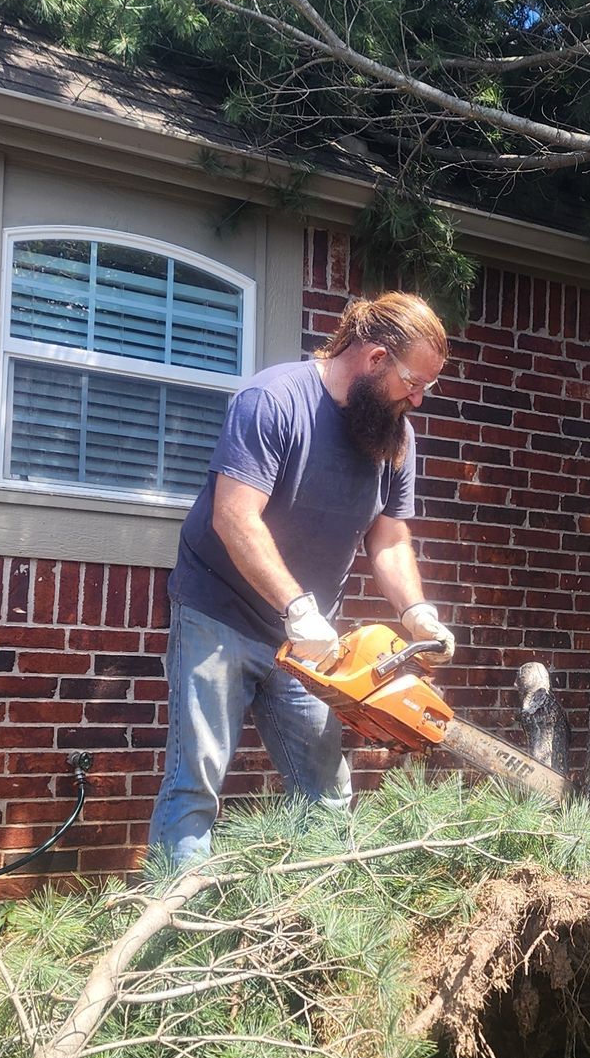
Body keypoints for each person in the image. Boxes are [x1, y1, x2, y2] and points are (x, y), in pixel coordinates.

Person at [147, 291, 456, 868]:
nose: (417, 398)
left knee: (327, 792)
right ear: (374, 359)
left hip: (307, 639)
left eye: (426, 387)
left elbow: (388, 538)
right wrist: (295, 605)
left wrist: (416, 611)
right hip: (220, 611)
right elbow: (233, 515)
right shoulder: (273, 400)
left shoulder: (394, 436)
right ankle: (174, 934)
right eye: (413, 381)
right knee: (196, 783)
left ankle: (316, 935)